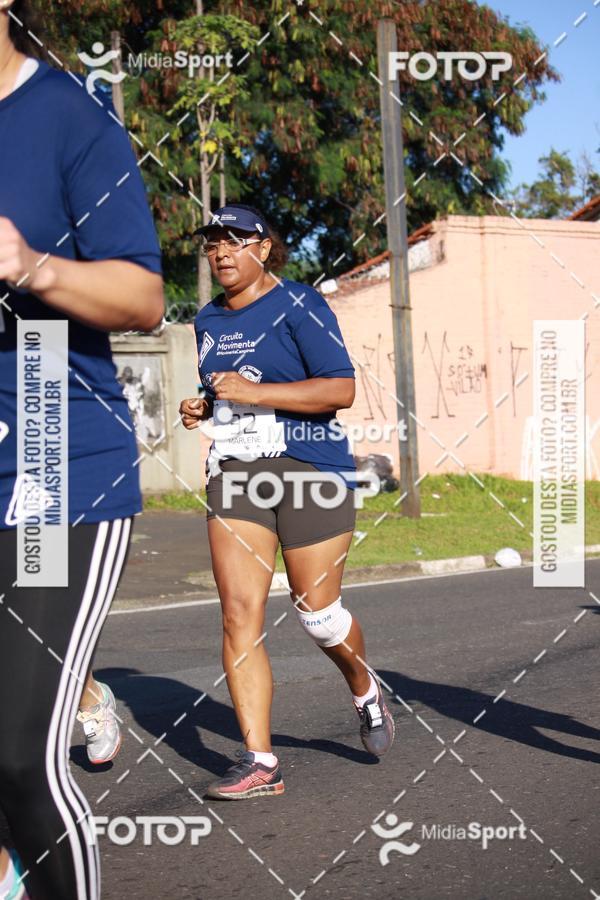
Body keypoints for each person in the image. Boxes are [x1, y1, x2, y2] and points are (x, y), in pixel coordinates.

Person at [0, 1, 164, 897]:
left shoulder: (66, 113)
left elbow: (143, 295)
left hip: (50, 450)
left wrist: (35, 265)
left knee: (21, 758)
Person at [179, 203, 394, 801]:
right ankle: (259, 762)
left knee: (317, 614)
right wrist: (205, 406)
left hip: (311, 470)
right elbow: (222, 385)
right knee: (237, 613)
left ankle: (364, 685)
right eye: (212, 243)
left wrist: (255, 392)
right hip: (237, 474)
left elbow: (340, 388)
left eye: (234, 240)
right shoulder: (206, 320)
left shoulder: (300, 304)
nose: (220, 251)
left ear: (264, 248)